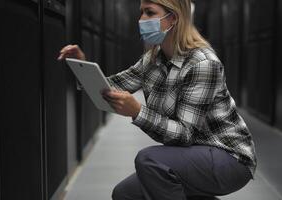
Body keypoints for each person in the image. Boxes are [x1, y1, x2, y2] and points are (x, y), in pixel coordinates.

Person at [58, 0, 257, 199]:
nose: (141, 19)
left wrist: (137, 111)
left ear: (173, 18)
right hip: (194, 153)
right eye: (141, 12)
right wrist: (83, 67)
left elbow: (185, 135)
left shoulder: (202, 63)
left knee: (150, 160)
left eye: (149, 12)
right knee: (125, 194)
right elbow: (111, 88)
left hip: (229, 158)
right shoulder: (152, 58)